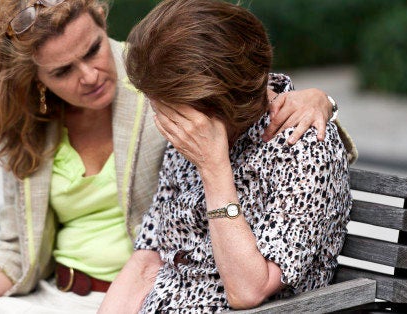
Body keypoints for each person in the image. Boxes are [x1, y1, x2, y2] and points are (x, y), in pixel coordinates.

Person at [0, 0, 350, 313]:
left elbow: (241, 78)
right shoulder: (41, 126)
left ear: (103, 23)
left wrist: (320, 100)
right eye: (62, 71)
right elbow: (146, 253)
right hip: (83, 294)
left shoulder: (168, 88)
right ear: (38, 79)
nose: (91, 75)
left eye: (94, 50)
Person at [99, 0, 352, 312]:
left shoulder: (303, 148)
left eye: (168, 109)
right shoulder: (188, 136)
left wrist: (214, 168)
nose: (162, 121)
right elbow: (150, 255)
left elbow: (249, 290)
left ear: (221, 109)